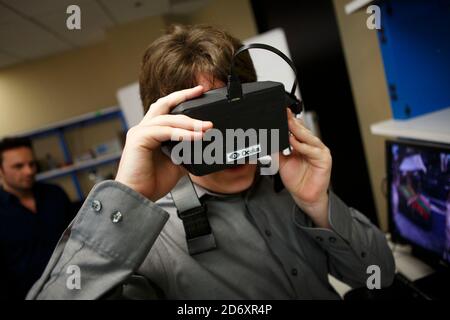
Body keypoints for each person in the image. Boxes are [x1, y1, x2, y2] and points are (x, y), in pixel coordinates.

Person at [27, 24, 395, 300]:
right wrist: (127, 199)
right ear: (166, 127)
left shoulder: (291, 185)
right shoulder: (149, 236)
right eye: (205, 125)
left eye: (238, 116)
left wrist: (320, 205)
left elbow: (378, 275)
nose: (227, 140)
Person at [0, 137, 74, 299]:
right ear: (1, 169)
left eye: (32, 164)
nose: (29, 171)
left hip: (76, 285)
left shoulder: (55, 194)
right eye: (18, 166)